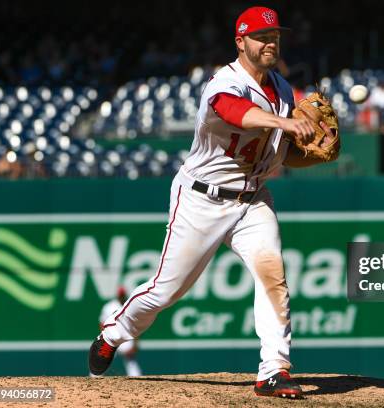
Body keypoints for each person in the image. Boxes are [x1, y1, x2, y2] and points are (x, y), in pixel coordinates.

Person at [88, 6, 332, 399]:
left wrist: (308, 149)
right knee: (168, 291)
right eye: (261, 36)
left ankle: (274, 370)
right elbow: (236, 113)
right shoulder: (224, 83)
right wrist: (284, 123)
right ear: (240, 42)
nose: (271, 42)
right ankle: (114, 332)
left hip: (252, 200)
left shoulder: (284, 90)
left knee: (273, 276)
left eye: (275, 36)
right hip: (202, 198)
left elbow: (279, 151)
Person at [97, 287, 142, 377]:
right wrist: (104, 338)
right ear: (117, 295)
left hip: (126, 338)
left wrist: (135, 344)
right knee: (102, 358)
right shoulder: (109, 307)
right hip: (111, 336)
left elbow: (136, 326)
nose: (121, 296)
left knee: (130, 359)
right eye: (120, 295)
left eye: (122, 295)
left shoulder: (130, 305)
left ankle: (137, 379)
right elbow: (102, 323)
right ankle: (95, 376)